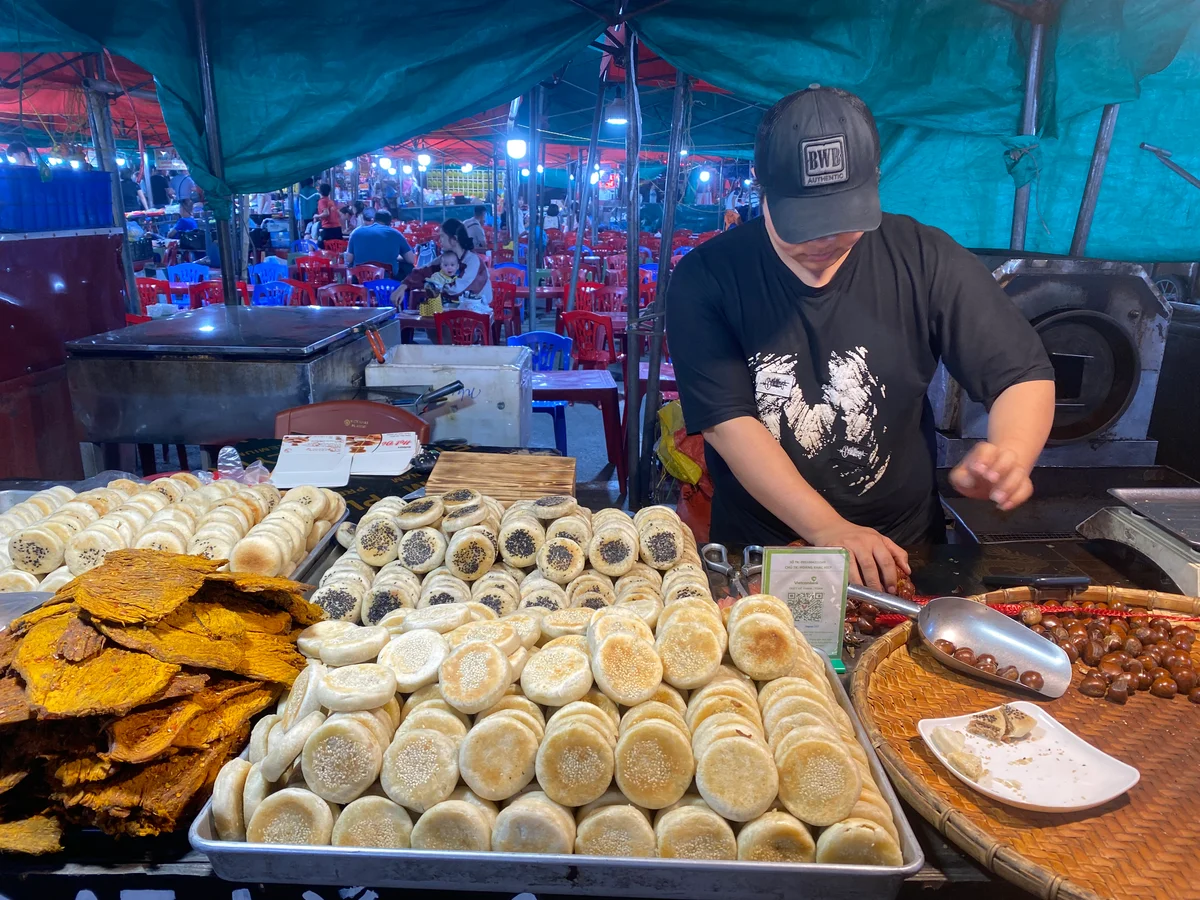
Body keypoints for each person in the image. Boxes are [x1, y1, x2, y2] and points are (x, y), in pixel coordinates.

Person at [666, 86, 1055, 593]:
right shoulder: (709, 277)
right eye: (804, 224)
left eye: (842, 221)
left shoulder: (925, 257)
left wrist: (1010, 453)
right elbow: (727, 423)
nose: (822, 243)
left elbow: (1021, 374)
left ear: (873, 185)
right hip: (764, 554)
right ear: (762, 185)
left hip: (898, 553)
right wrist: (829, 530)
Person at [346, 206, 415, 276]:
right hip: (386, 279)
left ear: (374, 220)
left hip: (359, 277)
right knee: (408, 267)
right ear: (390, 223)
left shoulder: (356, 232)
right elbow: (411, 260)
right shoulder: (396, 234)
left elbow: (349, 259)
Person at [316, 183, 342, 247]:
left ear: (320, 191)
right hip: (337, 229)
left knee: (320, 246)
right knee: (336, 248)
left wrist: (316, 216)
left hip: (327, 229)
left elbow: (326, 213)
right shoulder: (331, 202)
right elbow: (339, 214)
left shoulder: (322, 201)